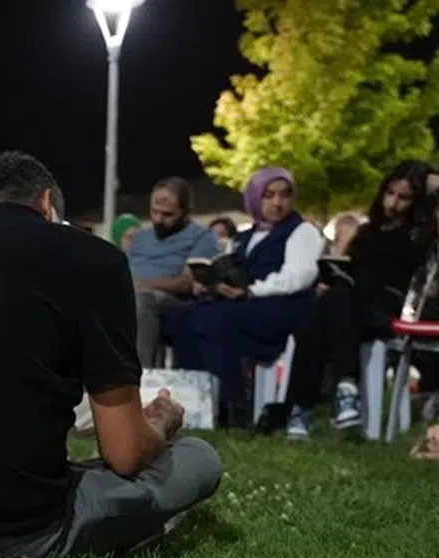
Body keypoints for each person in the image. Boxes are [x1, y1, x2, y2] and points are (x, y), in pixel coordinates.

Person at [0, 151, 222, 558]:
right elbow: (125, 454)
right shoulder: (93, 258)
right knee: (200, 458)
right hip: (26, 528)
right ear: (46, 203)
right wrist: (161, 423)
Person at [277, 162, 436, 438]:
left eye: (404, 197)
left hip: (385, 307)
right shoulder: (368, 232)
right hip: (350, 304)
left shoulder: (421, 235)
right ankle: (345, 390)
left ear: (417, 201)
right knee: (330, 303)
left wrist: (423, 177)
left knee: (326, 309)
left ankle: (300, 409)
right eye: (390, 193)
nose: (394, 203)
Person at [165, 167, 324, 424]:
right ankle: (195, 405)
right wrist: (214, 284)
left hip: (282, 307)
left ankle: (230, 405)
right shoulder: (244, 236)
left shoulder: (301, 231)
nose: (277, 202)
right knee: (183, 320)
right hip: (244, 304)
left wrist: (251, 290)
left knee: (215, 322)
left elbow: (300, 275)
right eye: (269, 195)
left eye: (284, 195)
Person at [127, 178, 223, 368]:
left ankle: (138, 377)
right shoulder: (140, 238)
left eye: (168, 214)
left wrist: (142, 285)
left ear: (185, 211)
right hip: (130, 296)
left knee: (142, 300)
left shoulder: (202, 237)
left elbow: (188, 282)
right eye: (154, 212)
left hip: (174, 302)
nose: (158, 219)